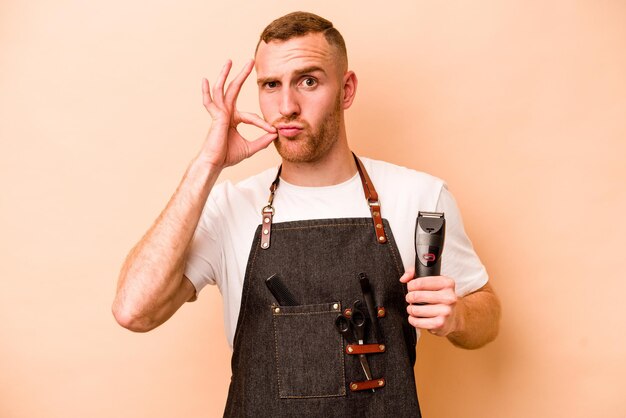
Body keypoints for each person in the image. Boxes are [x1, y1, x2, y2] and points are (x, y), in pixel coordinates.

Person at [112, 11, 501, 417]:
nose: (286, 106)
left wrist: (457, 317)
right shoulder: (229, 206)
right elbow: (134, 311)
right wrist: (206, 165)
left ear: (346, 89)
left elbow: (487, 316)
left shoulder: (420, 197)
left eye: (308, 81)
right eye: (270, 85)